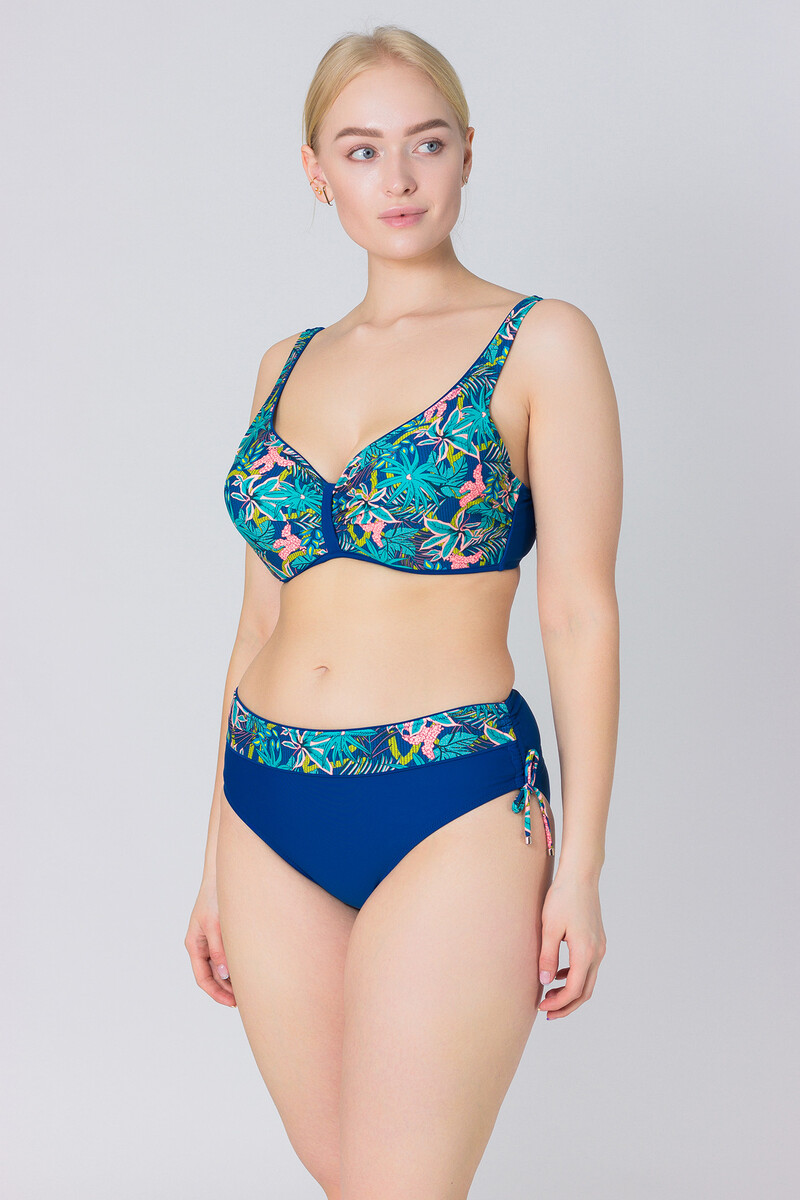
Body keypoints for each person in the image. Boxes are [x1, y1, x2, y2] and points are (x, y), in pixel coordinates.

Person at [185, 24, 621, 1200]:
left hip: (452, 798)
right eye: (362, 149)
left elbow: (578, 613)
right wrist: (211, 860)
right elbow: (256, 627)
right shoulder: (284, 363)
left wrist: (579, 868)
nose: (399, 178)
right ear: (314, 170)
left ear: (467, 152)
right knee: (349, 1183)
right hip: (266, 801)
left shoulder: (540, 342)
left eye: (425, 144)